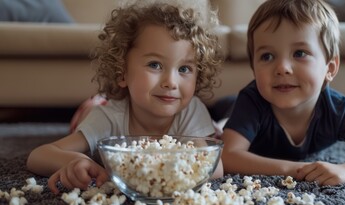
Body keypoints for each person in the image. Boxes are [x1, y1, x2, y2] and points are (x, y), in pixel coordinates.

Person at [27, 0, 224, 194]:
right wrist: (78, 160)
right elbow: (38, 155)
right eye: (155, 65)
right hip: (97, 106)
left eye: (184, 69)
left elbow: (214, 169)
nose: (171, 82)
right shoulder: (107, 118)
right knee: (92, 107)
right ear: (122, 72)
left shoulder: (192, 110)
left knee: (216, 132)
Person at [221, 0, 345, 186]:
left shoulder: (338, 109)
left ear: (330, 68)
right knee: (220, 117)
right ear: (253, 68)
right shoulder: (252, 100)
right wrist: (296, 169)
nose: (282, 68)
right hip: (229, 108)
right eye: (267, 56)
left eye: (299, 53)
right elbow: (228, 156)